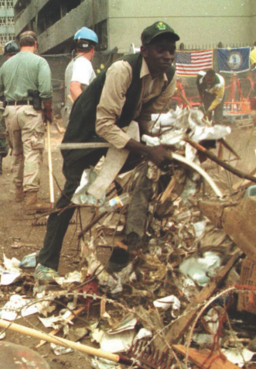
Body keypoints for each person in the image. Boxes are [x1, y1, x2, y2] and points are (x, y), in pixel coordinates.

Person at [34, 21, 179, 281]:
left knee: (136, 189)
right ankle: (47, 259)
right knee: (74, 193)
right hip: (88, 130)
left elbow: (146, 116)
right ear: (145, 50)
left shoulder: (169, 76)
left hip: (122, 130)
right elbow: (103, 124)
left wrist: (155, 145)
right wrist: (147, 150)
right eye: (161, 50)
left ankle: (121, 260)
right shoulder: (123, 70)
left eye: (171, 50)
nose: (167, 56)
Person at [0, 31, 53, 214]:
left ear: (20, 45)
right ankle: (31, 199)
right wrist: (48, 110)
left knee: (17, 152)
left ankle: (19, 192)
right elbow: (46, 91)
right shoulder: (39, 62)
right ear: (35, 44)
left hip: (10, 112)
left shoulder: (7, 64)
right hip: (30, 112)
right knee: (32, 152)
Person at [0, 40, 20, 175]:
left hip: (16, 105)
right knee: (0, 132)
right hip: (3, 105)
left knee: (17, 134)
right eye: (9, 55)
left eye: (12, 55)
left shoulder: (20, 68)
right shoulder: (3, 69)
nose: (10, 58)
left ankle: (18, 162)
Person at [61, 27, 98, 127]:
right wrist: (88, 112)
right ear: (93, 49)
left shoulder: (73, 63)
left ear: (77, 48)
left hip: (72, 116)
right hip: (81, 119)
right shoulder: (83, 63)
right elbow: (74, 87)